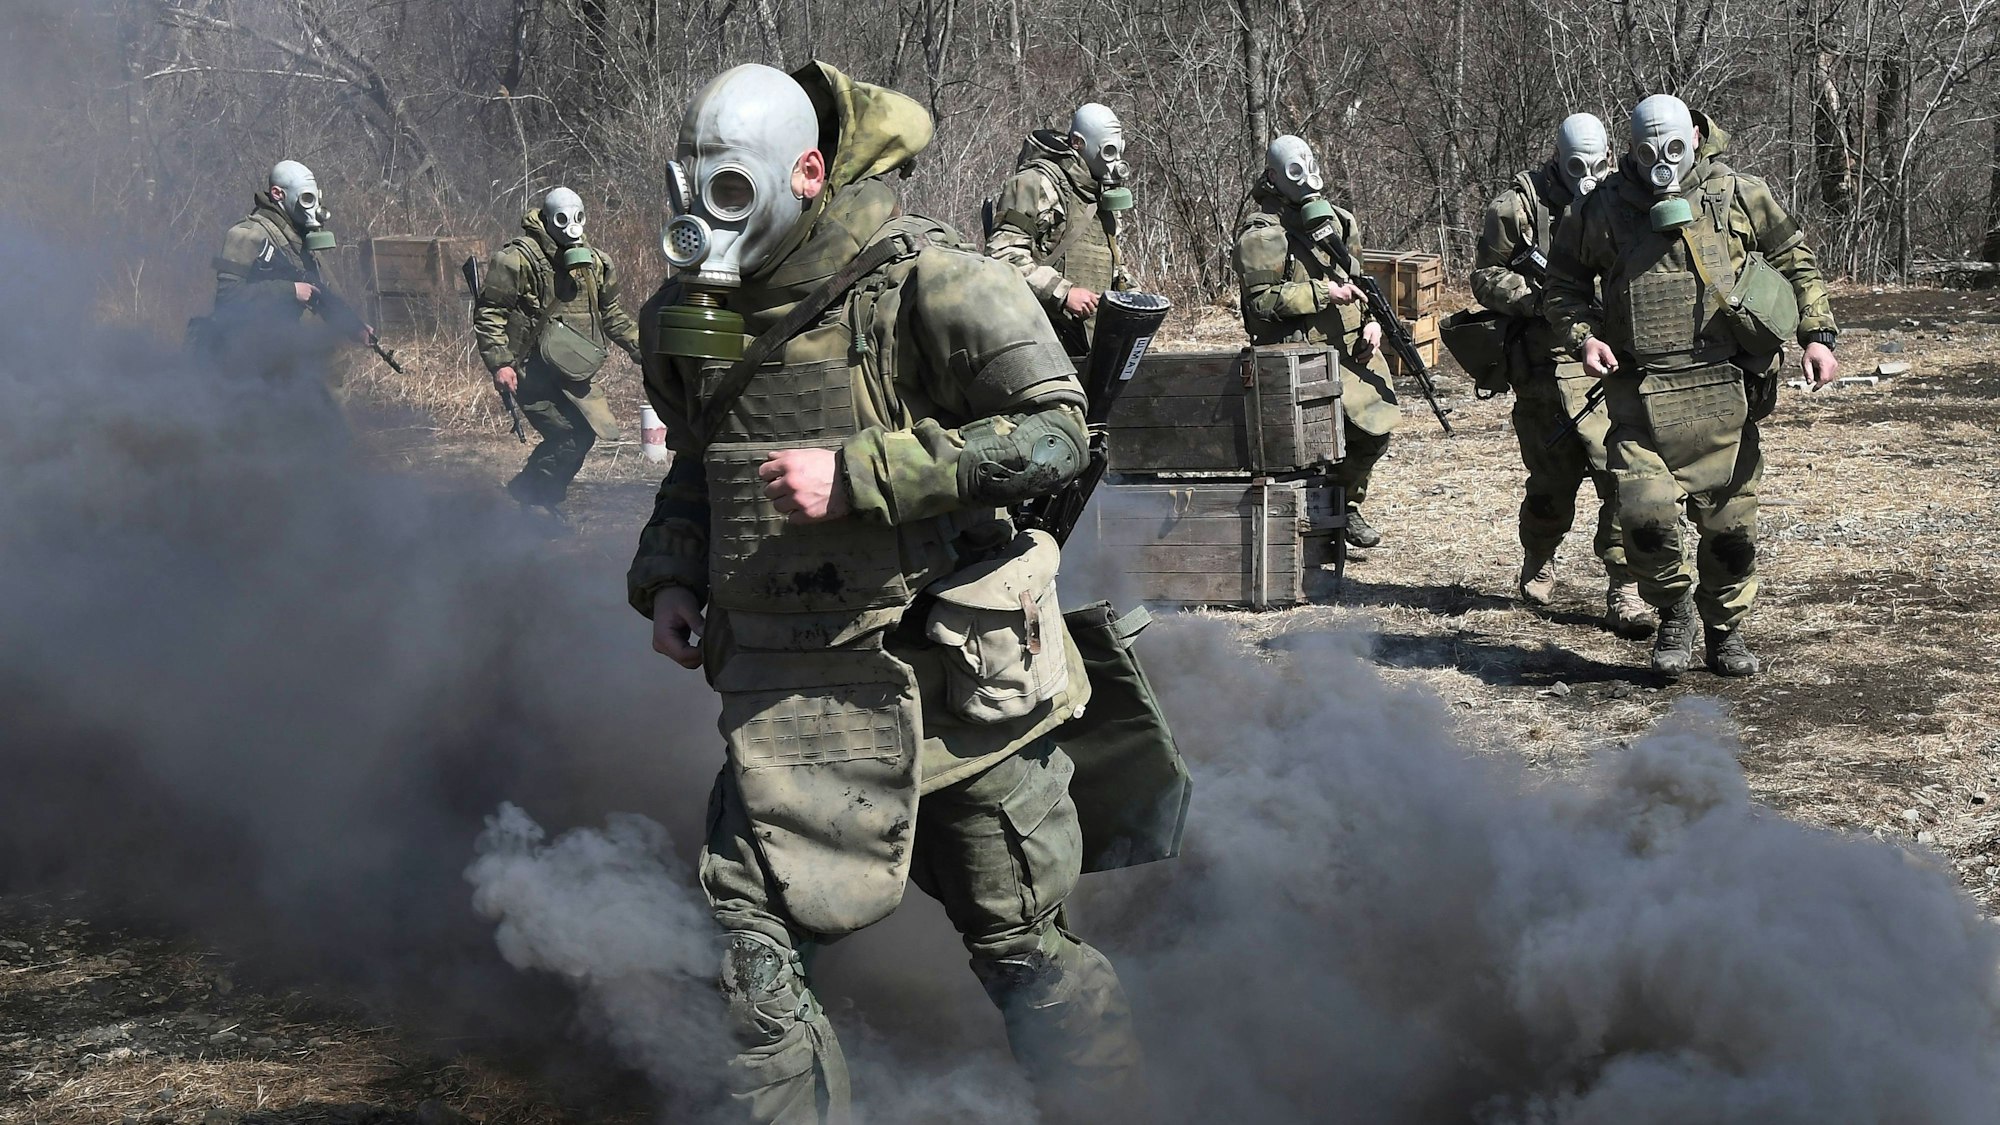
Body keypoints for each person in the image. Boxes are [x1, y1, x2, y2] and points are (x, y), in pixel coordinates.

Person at [628, 61, 1142, 1123]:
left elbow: (1053, 434)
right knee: (747, 959)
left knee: (1021, 950)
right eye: (693, 188)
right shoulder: (702, 311)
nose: (706, 218)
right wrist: (674, 569)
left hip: (953, 690)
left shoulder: (928, 281)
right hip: (791, 690)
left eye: (733, 189)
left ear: (807, 172)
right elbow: (702, 454)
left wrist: (863, 474)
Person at [1545, 95, 1839, 677]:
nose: (1663, 161)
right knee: (1645, 520)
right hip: (1641, 395)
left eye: (1675, 148)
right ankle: (1674, 612)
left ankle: (1724, 631)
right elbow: (1562, 284)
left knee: (1732, 531)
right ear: (1627, 150)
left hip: (1726, 392)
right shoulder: (1600, 209)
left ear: (1697, 141)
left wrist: (1817, 333)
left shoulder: (1739, 194)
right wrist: (1584, 336)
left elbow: (1794, 260)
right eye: (1648, 151)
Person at [1472, 113, 1654, 638]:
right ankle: (1539, 559)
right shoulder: (1517, 207)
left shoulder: (1625, 197)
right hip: (1545, 364)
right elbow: (1485, 275)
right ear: (1557, 158)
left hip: (1613, 359)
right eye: (1579, 165)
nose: (1590, 175)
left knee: (1621, 475)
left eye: (1598, 163)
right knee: (1552, 480)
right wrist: (1540, 301)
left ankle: (1625, 586)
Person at [1232, 134, 1400, 548]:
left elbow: (1358, 281)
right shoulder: (1262, 235)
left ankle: (1345, 504)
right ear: (1272, 176)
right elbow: (1261, 303)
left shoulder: (1338, 221)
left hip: (1345, 350)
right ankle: (1312, 520)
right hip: (1293, 355)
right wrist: (1325, 293)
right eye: (1292, 170)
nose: (1305, 176)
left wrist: (1371, 325)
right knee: (1309, 448)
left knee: (1375, 431)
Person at [473, 187, 642, 514]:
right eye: (562, 219)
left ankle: (536, 497)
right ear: (548, 219)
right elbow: (490, 312)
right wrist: (500, 364)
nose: (571, 227)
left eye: (578, 218)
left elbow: (612, 315)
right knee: (567, 437)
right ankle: (533, 499)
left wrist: (644, 350)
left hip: (574, 372)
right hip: (531, 373)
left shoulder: (595, 263)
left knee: (583, 437)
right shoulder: (517, 259)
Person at [197, 160, 372, 399]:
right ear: (278, 193)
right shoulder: (247, 236)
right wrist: (289, 290)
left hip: (296, 357)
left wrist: (355, 327)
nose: (311, 207)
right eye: (305, 198)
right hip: (257, 364)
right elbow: (228, 298)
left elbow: (320, 294)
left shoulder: (297, 238)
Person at [986, 102, 1134, 354]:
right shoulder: (1036, 183)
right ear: (1078, 142)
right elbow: (1002, 256)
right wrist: (1063, 294)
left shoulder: (1095, 193)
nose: (1116, 162)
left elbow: (1108, 261)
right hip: (1037, 336)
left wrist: (1132, 297)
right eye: (1107, 151)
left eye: (1118, 150)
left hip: (1088, 340)